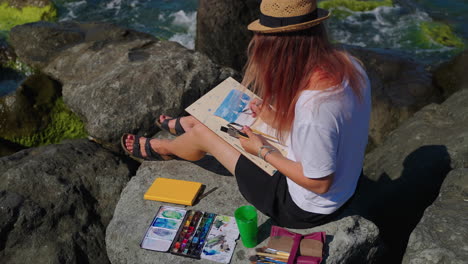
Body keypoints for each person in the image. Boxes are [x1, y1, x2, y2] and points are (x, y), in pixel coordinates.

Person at [122, 0, 371, 229]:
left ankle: (168, 148)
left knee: (205, 133)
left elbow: (319, 183)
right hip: (346, 184)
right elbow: (331, 129)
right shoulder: (350, 66)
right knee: (233, 119)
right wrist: (276, 119)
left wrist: (263, 151)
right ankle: (188, 124)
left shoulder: (313, 109)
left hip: (302, 206)